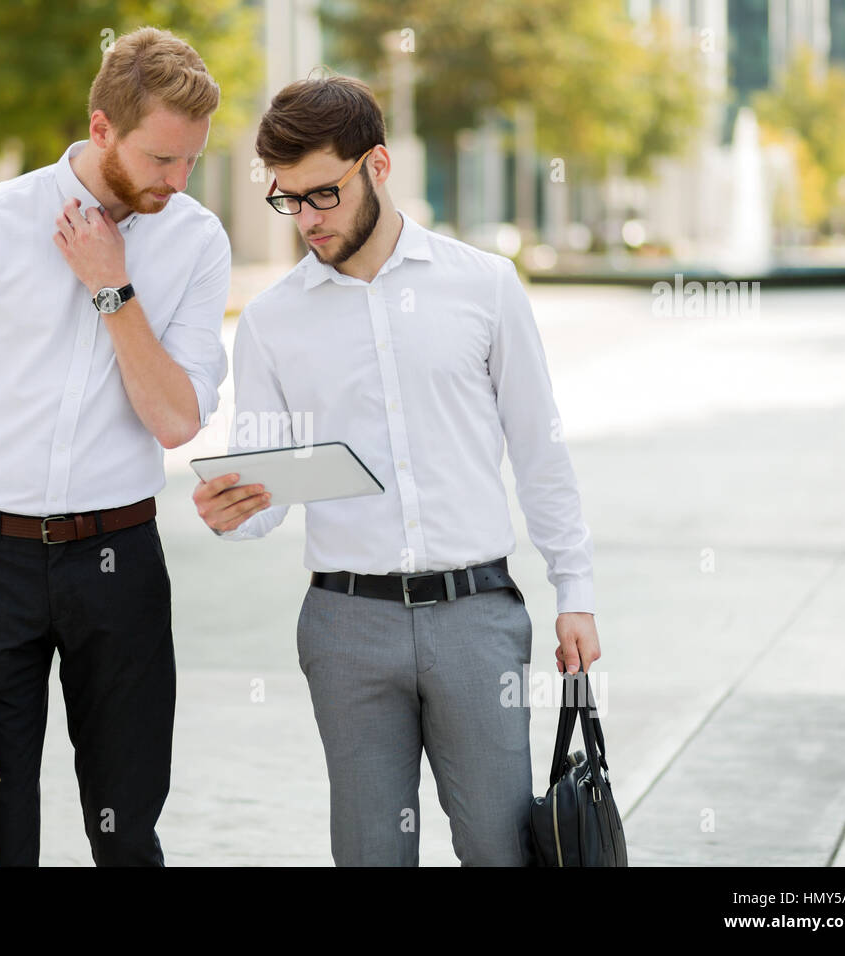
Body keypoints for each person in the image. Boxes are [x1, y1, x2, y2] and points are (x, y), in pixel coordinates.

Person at [193, 74, 601, 866]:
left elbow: (539, 449)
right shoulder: (273, 322)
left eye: (323, 194)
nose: (306, 219)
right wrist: (237, 509)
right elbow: (270, 490)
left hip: (476, 617)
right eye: (287, 201)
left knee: (499, 848)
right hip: (345, 628)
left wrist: (574, 592)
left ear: (377, 164)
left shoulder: (483, 287)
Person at [0, 26, 230, 866]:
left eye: (191, 159)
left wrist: (111, 287)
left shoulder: (195, 242)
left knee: (127, 826)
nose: (176, 179)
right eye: (162, 158)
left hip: (118, 559)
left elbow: (175, 421)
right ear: (101, 128)